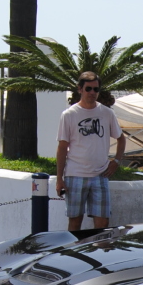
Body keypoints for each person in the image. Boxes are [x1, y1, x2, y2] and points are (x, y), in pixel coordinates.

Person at [55, 71, 126, 231]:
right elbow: (62, 148)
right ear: (80, 89)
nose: (92, 93)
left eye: (96, 89)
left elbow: (121, 139)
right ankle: (74, 254)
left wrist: (116, 161)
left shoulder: (107, 113)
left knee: (103, 223)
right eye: (88, 89)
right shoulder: (69, 115)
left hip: (100, 175)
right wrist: (60, 179)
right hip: (75, 175)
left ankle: (99, 253)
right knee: (75, 222)